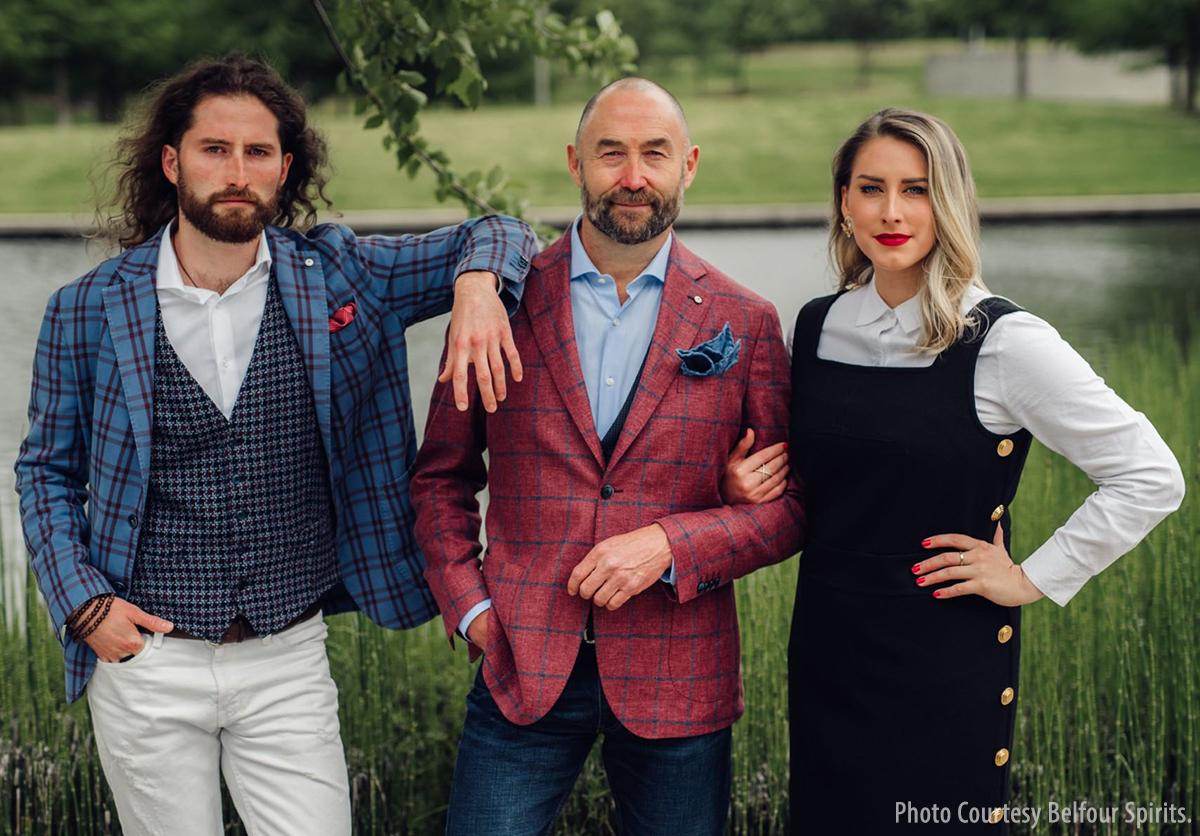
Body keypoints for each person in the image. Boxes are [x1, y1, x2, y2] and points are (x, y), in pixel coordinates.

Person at [14, 53, 537, 836]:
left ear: (285, 167)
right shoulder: (87, 308)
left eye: (257, 152)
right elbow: (45, 473)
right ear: (172, 161)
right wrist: (83, 606)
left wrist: (474, 286)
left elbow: (502, 231)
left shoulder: (339, 274)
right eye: (214, 149)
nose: (236, 171)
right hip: (146, 660)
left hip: (285, 654)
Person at [720, 107, 1185, 833]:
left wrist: (1033, 575)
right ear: (844, 201)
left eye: (918, 189)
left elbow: (1151, 474)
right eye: (871, 188)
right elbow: (828, 485)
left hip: (944, 661)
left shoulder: (1004, 341)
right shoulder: (814, 326)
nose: (893, 211)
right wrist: (743, 488)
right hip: (828, 652)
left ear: (951, 203)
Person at [410, 77, 804, 836]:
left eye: (654, 154)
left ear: (688, 165)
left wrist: (670, 543)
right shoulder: (501, 304)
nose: (632, 176)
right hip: (519, 663)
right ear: (575, 162)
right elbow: (440, 479)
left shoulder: (744, 320)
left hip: (680, 675)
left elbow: (789, 509)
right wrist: (472, 611)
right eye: (611, 153)